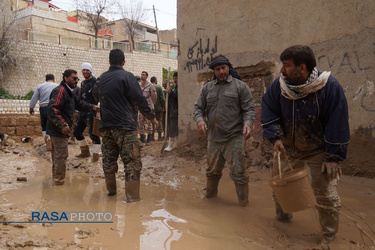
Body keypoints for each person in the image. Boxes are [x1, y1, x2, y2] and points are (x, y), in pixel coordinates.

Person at [261, 45, 350, 247]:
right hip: (287, 148)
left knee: (326, 197)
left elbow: (338, 122)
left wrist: (334, 157)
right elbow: (269, 109)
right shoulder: (279, 86)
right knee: (279, 188)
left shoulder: (329, 87)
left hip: (318, 151)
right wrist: (275, 138)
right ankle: (283, 223)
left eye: (286, 65)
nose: (281, 70)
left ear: (302, 68)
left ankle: (328, 237)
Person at [94, 49, 157, 202]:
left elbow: (95, 95)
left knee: (108, 161)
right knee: (132, 163)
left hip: (106, 127)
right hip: (125, 127)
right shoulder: (127, 77)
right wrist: (151, 117)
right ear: (123, 62)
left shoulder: (101, 78)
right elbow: (139, 99)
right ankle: (132, 200)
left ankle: (111, 193)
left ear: (109, 61)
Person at [193, 55, 255, 206]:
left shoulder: (240, 86)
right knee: (212, 173)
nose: (221, 71)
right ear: (214, 71)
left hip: (234, 138)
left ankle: (243, 204)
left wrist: (247, 124)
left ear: (228, 68)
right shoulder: (207, 88)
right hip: (213, 138)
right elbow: (198, 108)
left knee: (239, 173)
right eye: (217, 69)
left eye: (223, 68)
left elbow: (249, 109)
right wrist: (200, 120)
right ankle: (211, 200)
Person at [47, 69, 99, 185]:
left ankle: (56, 177)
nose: (76, 81)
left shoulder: (69, 91)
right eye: (74, 78)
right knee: (61, 155)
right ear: (66, 78)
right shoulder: (61, 91)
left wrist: (93, 107)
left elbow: (80, 104)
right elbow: (53, 109)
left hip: (60, 129)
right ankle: (59, 182)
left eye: (77, 79)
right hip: (58, 130)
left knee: (58, 155)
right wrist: (63, 124)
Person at [73, 63, 101, 162]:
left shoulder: (96, 81)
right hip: (82, 111)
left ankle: (96, 156)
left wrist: (99, 109)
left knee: (94, 135)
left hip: (93, 111)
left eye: (87, 70)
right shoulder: (83, 83)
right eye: (83, 70)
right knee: (76, 131)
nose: (85, 72)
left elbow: (100, 96)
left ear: (90, 71)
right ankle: (85, 152)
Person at [29, 74, 58, 150]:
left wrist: (31, 108)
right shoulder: (57, 86)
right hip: (53, 107)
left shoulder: (40, 86)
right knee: (52, 125)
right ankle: (51, 142)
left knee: (44, 125)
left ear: (46, 79)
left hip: (43, 108)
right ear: (54, 79)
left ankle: (47, 142)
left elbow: (34, 98)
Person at [138, 71, 156, 146]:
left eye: (144, 75)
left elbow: (154, 97)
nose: (142, 76)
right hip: (140, 106)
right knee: (140, 122)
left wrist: (151, 104)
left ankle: (149, 138)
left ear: (147, 76)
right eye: (141, 74)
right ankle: (142, 137)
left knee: (149, 123)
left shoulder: (150, 85)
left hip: (148, 106)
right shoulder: (139, 85)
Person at [164, 72, 179, 151]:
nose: (174, 80)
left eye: (176, 78)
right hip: (173, 110)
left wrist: (171, 93)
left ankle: (171, 145)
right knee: (173, 127)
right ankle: (175, 144)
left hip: (175, 111)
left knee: (173, 127)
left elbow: (177, 98)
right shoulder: (176, 87)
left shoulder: (179, 88)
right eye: (173, 78)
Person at [151, 76, 166, 141]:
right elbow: (162, 98)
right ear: (155, 81)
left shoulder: (149, 86)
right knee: (159, 121)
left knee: (151, 122)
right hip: (158, 108)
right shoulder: (159, 87)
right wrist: (163, 106)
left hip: (151, 108)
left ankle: (152, 137)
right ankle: (159, 136)